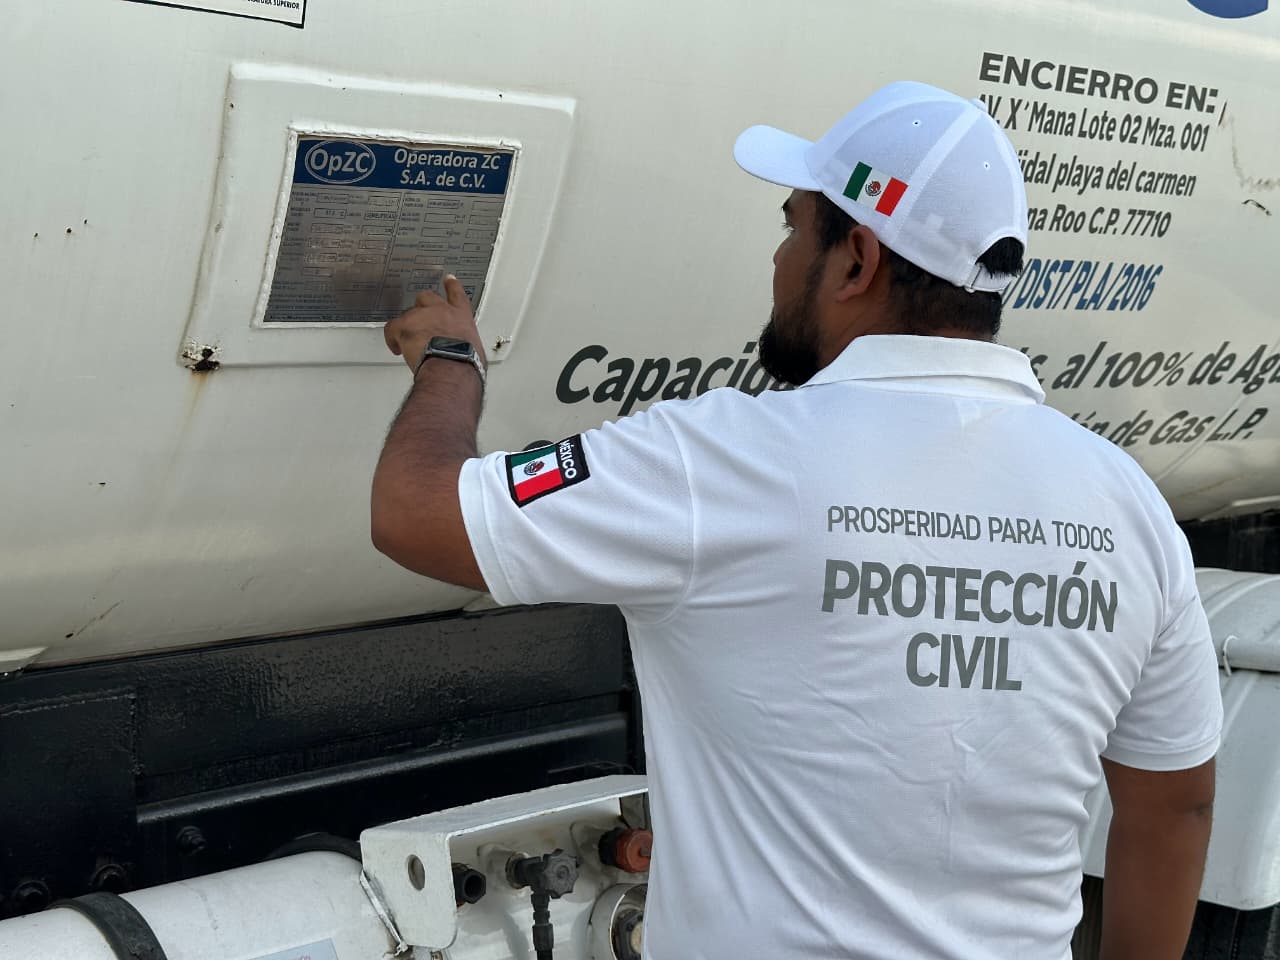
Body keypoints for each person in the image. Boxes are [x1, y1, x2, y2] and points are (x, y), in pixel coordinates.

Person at [371, 81, 1222, 960]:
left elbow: (416, 512)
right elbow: (1176, 805)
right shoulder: (1126, 505)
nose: (779, 262)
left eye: (792, 230)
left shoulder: (721, 459)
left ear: (856, 260)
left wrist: (450, 359)